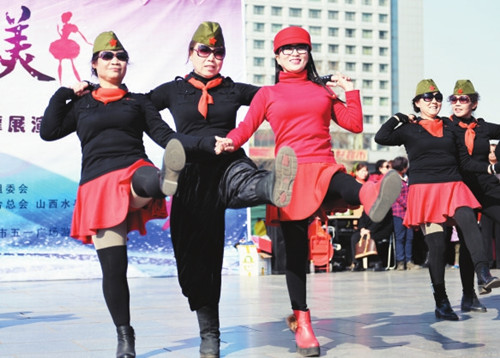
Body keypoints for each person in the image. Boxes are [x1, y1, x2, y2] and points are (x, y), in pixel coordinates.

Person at [216, 26, 401, 356]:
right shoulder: (267, 95)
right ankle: (302, 322)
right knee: (296, 253)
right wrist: (229, 141)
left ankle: (372, 197)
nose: (295, 53)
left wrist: (350, 90)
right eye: (287, 49)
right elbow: (246, 128)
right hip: (289, 175)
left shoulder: (322, 92)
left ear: (309, 52)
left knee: (338, 178)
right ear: (276, 56)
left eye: (301, 47)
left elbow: (355, 125)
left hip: (322, 164)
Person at [40, 31, 216, 358]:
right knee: (114, 268)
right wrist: (64, 92)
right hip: (97, 185)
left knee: (145, 177)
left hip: (134, 168)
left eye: (121, 57)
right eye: (108, 56)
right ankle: (125, 336)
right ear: (94, 64)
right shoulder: (81, 103)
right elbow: (48, 132)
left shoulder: (139, 101)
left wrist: (204, 144)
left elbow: (165, 135)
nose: (116, 62)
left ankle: (166, 180)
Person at [147, 22, 297, 358]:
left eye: (218, 52)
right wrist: (174, 141)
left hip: (229, 163)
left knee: (246, 182)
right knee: (195, 260)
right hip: (188, 174)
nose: (211, 57)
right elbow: (139, 108)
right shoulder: (172, 91)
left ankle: (274, 184)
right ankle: (208, 330)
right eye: (204, 51)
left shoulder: (233, 90)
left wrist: (313, 87)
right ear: (191, 53)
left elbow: (275, 97)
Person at [375, 79, 500, 321]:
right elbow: (382, 137)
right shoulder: (408, 129)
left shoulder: (450, 127)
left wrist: (490, 170)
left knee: (469, 222)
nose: (434, 101)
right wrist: (399, 117)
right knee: (438, 247)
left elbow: (465, 162)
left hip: (453, 186)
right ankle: (441, 302)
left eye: (438, 97)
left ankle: (484, 274)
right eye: (427, 97)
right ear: (417, 103)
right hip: (425, 192)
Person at [446, 79, 500, 311]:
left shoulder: (483, 127)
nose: (457, 103)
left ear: (474, 103)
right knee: (470, 241)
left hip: (486, 185)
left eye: (463, 99)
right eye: (454, 99)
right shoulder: (446, 127)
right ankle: (469, 296)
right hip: (460, 188)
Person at [390, 156, 417, 270]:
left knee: (409, 238)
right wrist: (407, 204)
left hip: (409, 213)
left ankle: (409, 260)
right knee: (400, 238)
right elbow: (396, 195)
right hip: (398, 212)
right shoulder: (393, 179)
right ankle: (400, 262)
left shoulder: (408, 178)